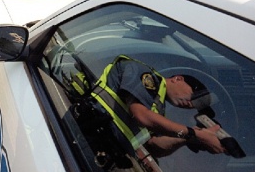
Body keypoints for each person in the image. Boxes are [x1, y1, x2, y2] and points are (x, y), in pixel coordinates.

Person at [89, 55, 225, 158]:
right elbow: (141, 115)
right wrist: (195, 133)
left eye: (196, 105)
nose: (191, 104)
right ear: (178, 79)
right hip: (85, 127)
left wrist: (187, 139)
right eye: (194, 97)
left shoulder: (158, 109)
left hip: (101, 148)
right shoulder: (147, 76)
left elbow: (153, 146)